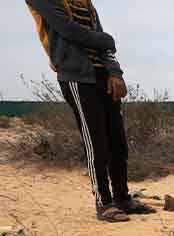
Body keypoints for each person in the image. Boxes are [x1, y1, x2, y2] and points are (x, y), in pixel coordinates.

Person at [26, 0, 155, 222]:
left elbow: (99, 36)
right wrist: (108, 40)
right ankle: (104, 203)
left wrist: (115, 72)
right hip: (77, 77)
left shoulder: (84, 2)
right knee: (96, 142)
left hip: (104, 75)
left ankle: (122, 198)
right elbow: (68, 29)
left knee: (118, 141)